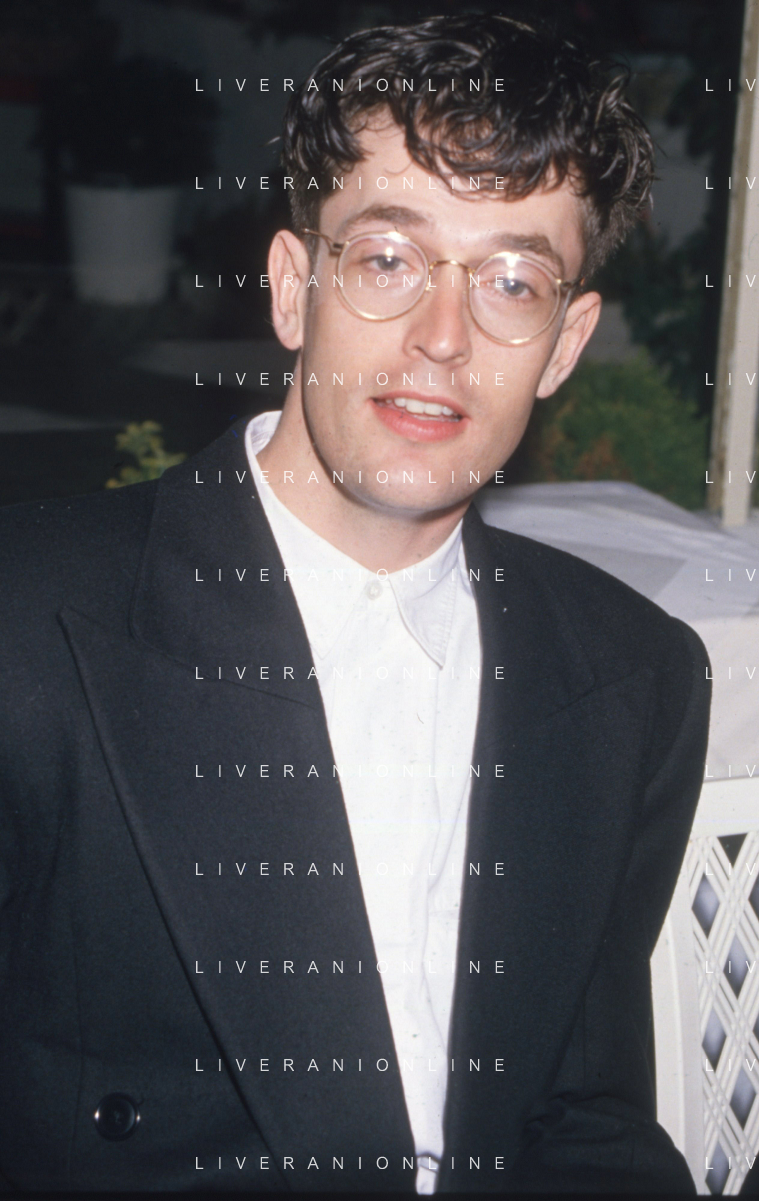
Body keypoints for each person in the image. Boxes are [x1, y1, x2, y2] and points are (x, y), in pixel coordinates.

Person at [0, 13, 710, 1195]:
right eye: (388, 259)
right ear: (295, 289)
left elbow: (583, 1119)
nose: (443, 338)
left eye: (513, 281)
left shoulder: (631, 673)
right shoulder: (29, 622)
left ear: (565, 343)